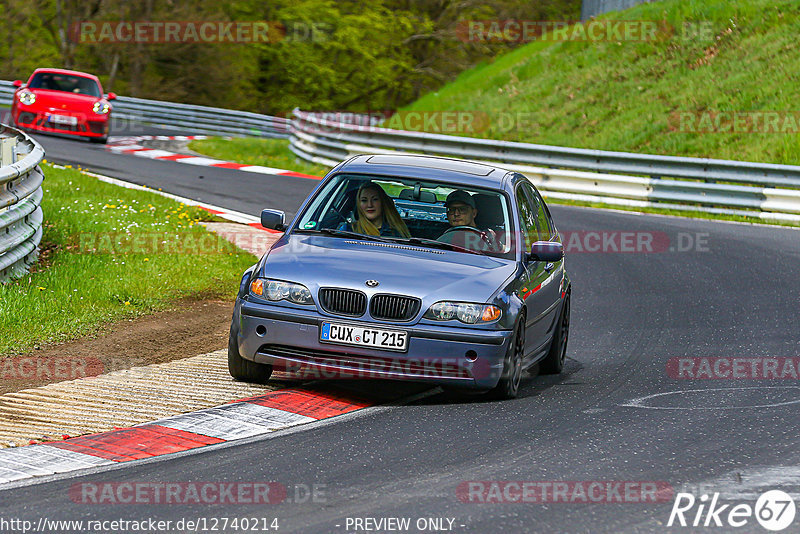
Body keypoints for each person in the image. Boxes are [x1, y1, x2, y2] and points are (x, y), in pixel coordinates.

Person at [338, 181, 411, 238]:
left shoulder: (397, 232)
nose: (369, 205)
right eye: (364, 200)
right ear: (359, 204)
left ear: (382, 202)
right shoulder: (348, 230)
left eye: (375, 199)